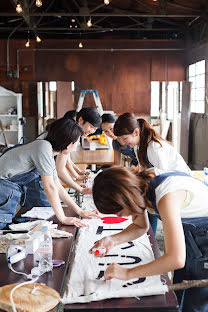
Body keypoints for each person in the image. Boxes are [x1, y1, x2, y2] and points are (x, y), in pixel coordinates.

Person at [90, 166, 208, 312]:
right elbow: (140, 226)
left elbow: (175, 259)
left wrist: (127, 273)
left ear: (127, 198)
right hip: (192, 238)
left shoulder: (166, 196)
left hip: (204, 241)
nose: (120, 217)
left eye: (119, 212)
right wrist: (113, 240)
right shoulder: (141, 186)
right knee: (178, 294)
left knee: (196, 301)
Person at [0, 117, 98, 230]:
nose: (76, 146)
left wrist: (80, 211)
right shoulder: (43, 147)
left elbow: (57, 185)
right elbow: (49, 186)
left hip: (8, 190)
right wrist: (63, 218)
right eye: (76, 141)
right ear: (68, 143)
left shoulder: (48, 150)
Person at [113, 112, 191, 174]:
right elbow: (144, 170)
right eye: (120, 139)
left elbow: (163, 175)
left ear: (136, 132)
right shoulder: (137, 146)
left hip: (180, 181)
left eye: (125, 138)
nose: (123, 142)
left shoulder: (154, 147)